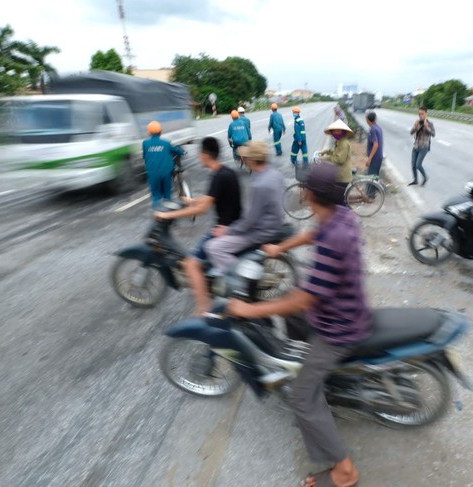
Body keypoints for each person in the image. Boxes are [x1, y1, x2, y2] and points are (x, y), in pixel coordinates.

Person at [228, 162, 371, 487]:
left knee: (301, 398)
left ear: (309, 194)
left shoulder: (334, 237)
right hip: (344, 307)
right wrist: (280, 247)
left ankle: (345, 471)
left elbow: (306, 299)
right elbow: (311, 235)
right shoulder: (339, 214)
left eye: (304, 187)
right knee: (289, 308)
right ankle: (311, 375)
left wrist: (250, 310)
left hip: (339, 326)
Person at [154, 137, 242, 314]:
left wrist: (168, 214)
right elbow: (210, 198)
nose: (199, 157)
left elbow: (202, 208)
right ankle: (210, 287)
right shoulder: (225, 172)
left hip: (226, 230)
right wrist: (190, 200)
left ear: (205, 154)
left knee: (191, 264)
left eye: (200, 153)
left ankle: (203, 308)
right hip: (234, 225)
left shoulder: (219, 176)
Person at [205, 140, 284, 272]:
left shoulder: (260, 184)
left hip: (261, 232)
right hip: (274, 224)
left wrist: (227, 230)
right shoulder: (275, 175)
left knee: (213, 247)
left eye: (246, 158)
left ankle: (241, 279)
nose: (244, 160)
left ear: (252, 160)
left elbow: (250, 221)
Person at [142, 121, 184, 208]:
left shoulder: (145, 143)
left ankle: (158, 213)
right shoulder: (166, 143)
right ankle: (168, 211)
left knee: (156, 195)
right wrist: (182, 152)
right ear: (161, 131)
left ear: (149, 132)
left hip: (152, 173)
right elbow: (177, 150)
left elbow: (144, 156)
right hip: (166, 172)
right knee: (167, 194)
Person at [319, 119, 354, 204]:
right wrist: (326, 151)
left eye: (337, 130)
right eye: (334, 131)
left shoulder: (344, 143)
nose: (335, 132)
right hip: (338, 172)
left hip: (343, 175)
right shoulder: (339, 141)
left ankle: (347, 214)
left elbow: (339, 159)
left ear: (342, 131)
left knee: (339, 200)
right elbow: (335, 152)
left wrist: (326, 158)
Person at [409, 107, 436, 186]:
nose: (420, 115)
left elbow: (433, 134)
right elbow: (411, 132)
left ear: (426, 114)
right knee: (413, 164)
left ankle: (425, 177)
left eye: (422, 114)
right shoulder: (417, 122)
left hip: (424, 147)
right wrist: (415, 127)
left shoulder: (430, 123)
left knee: (418, 165)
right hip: (416, 146)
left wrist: (426, 127)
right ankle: (415, 180)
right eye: (419, 114)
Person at [364, 112, 384, 197]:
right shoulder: (378, 128)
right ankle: (373, 193)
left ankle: (370, 195)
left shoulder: (372, 129)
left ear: (368, 120)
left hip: (375, 157)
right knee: (375, 176)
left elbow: (375, 145)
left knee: (371, 177)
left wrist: (369, 159)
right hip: (379, 156)